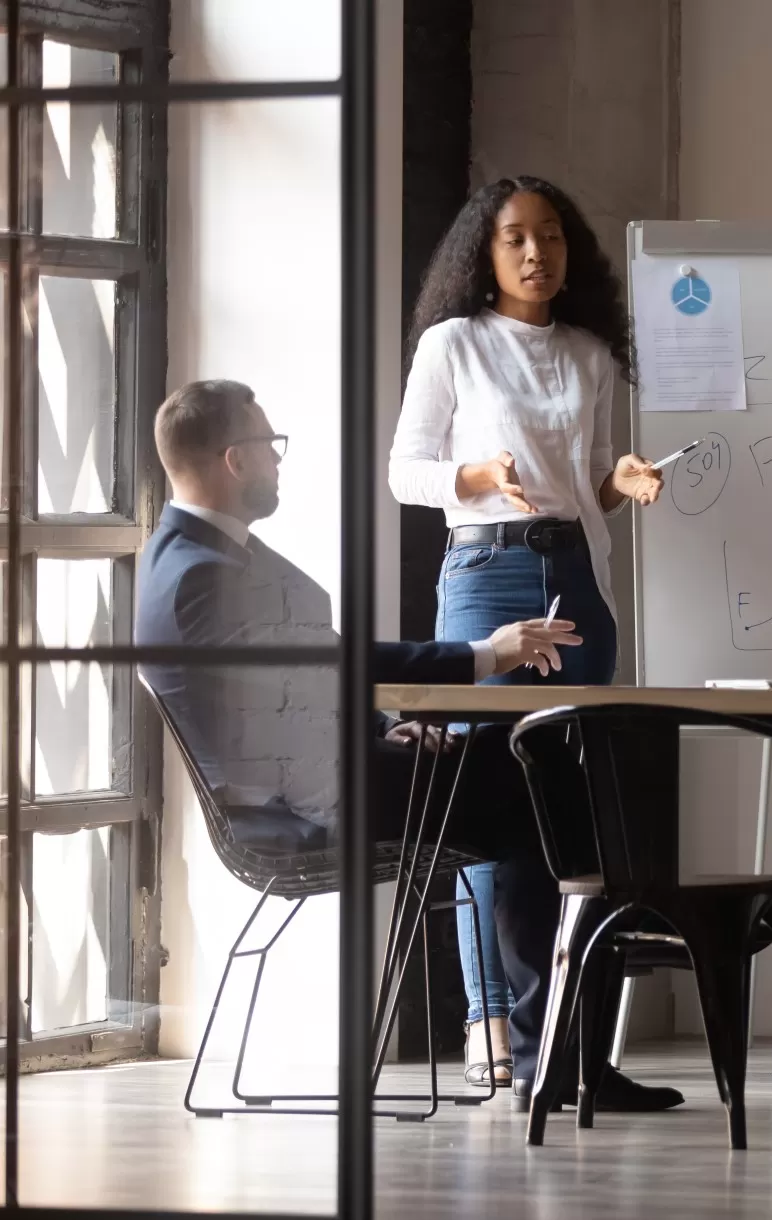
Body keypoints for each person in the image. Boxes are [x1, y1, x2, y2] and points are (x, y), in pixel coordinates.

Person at [139, 378, 682, 1113]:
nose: (278, 461)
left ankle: (553, 1056)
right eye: (271, 446)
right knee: (543, 776)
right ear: (234, 459)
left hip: (330, 776)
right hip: (313, 806)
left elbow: (286, 686)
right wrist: (484, 653)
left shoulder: (184, 556)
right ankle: (556, 1054)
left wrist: (383, 728)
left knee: (539, 776)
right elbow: (338, 663)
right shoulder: (204, 574)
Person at [390, 176, 663, 1088]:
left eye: (550, 235)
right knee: (488, 803)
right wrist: (472, 476)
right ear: (486, 251)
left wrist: (618, 483)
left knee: (572, 813)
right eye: (516, 239)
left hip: (576, 577)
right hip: (485, 573)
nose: (536, 253)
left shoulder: (589, 353)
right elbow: (404, 473)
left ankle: (566, 1044)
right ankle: (488, 1023)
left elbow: (587, 481)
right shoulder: (454, 343)